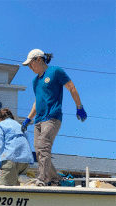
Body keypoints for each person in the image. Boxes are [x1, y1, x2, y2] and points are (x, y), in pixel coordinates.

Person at [22, 49, 87, 186]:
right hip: (39, 120)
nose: (30, 67)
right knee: (39, 151)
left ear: (38, 59)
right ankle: (55, 179)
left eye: (30, 64)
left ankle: (42, 180)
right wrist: (28, 119)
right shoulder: (35, 81)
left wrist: (79, 107)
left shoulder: (55, 71)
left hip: (52, 117)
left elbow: (71, 87)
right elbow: (37, 102)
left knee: (43, 147)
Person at [0, 108, 34, 186]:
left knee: (3, 193)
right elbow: (26, 141)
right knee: (16, 193)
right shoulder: (20, 126)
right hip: (25, 160)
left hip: (10, 160)